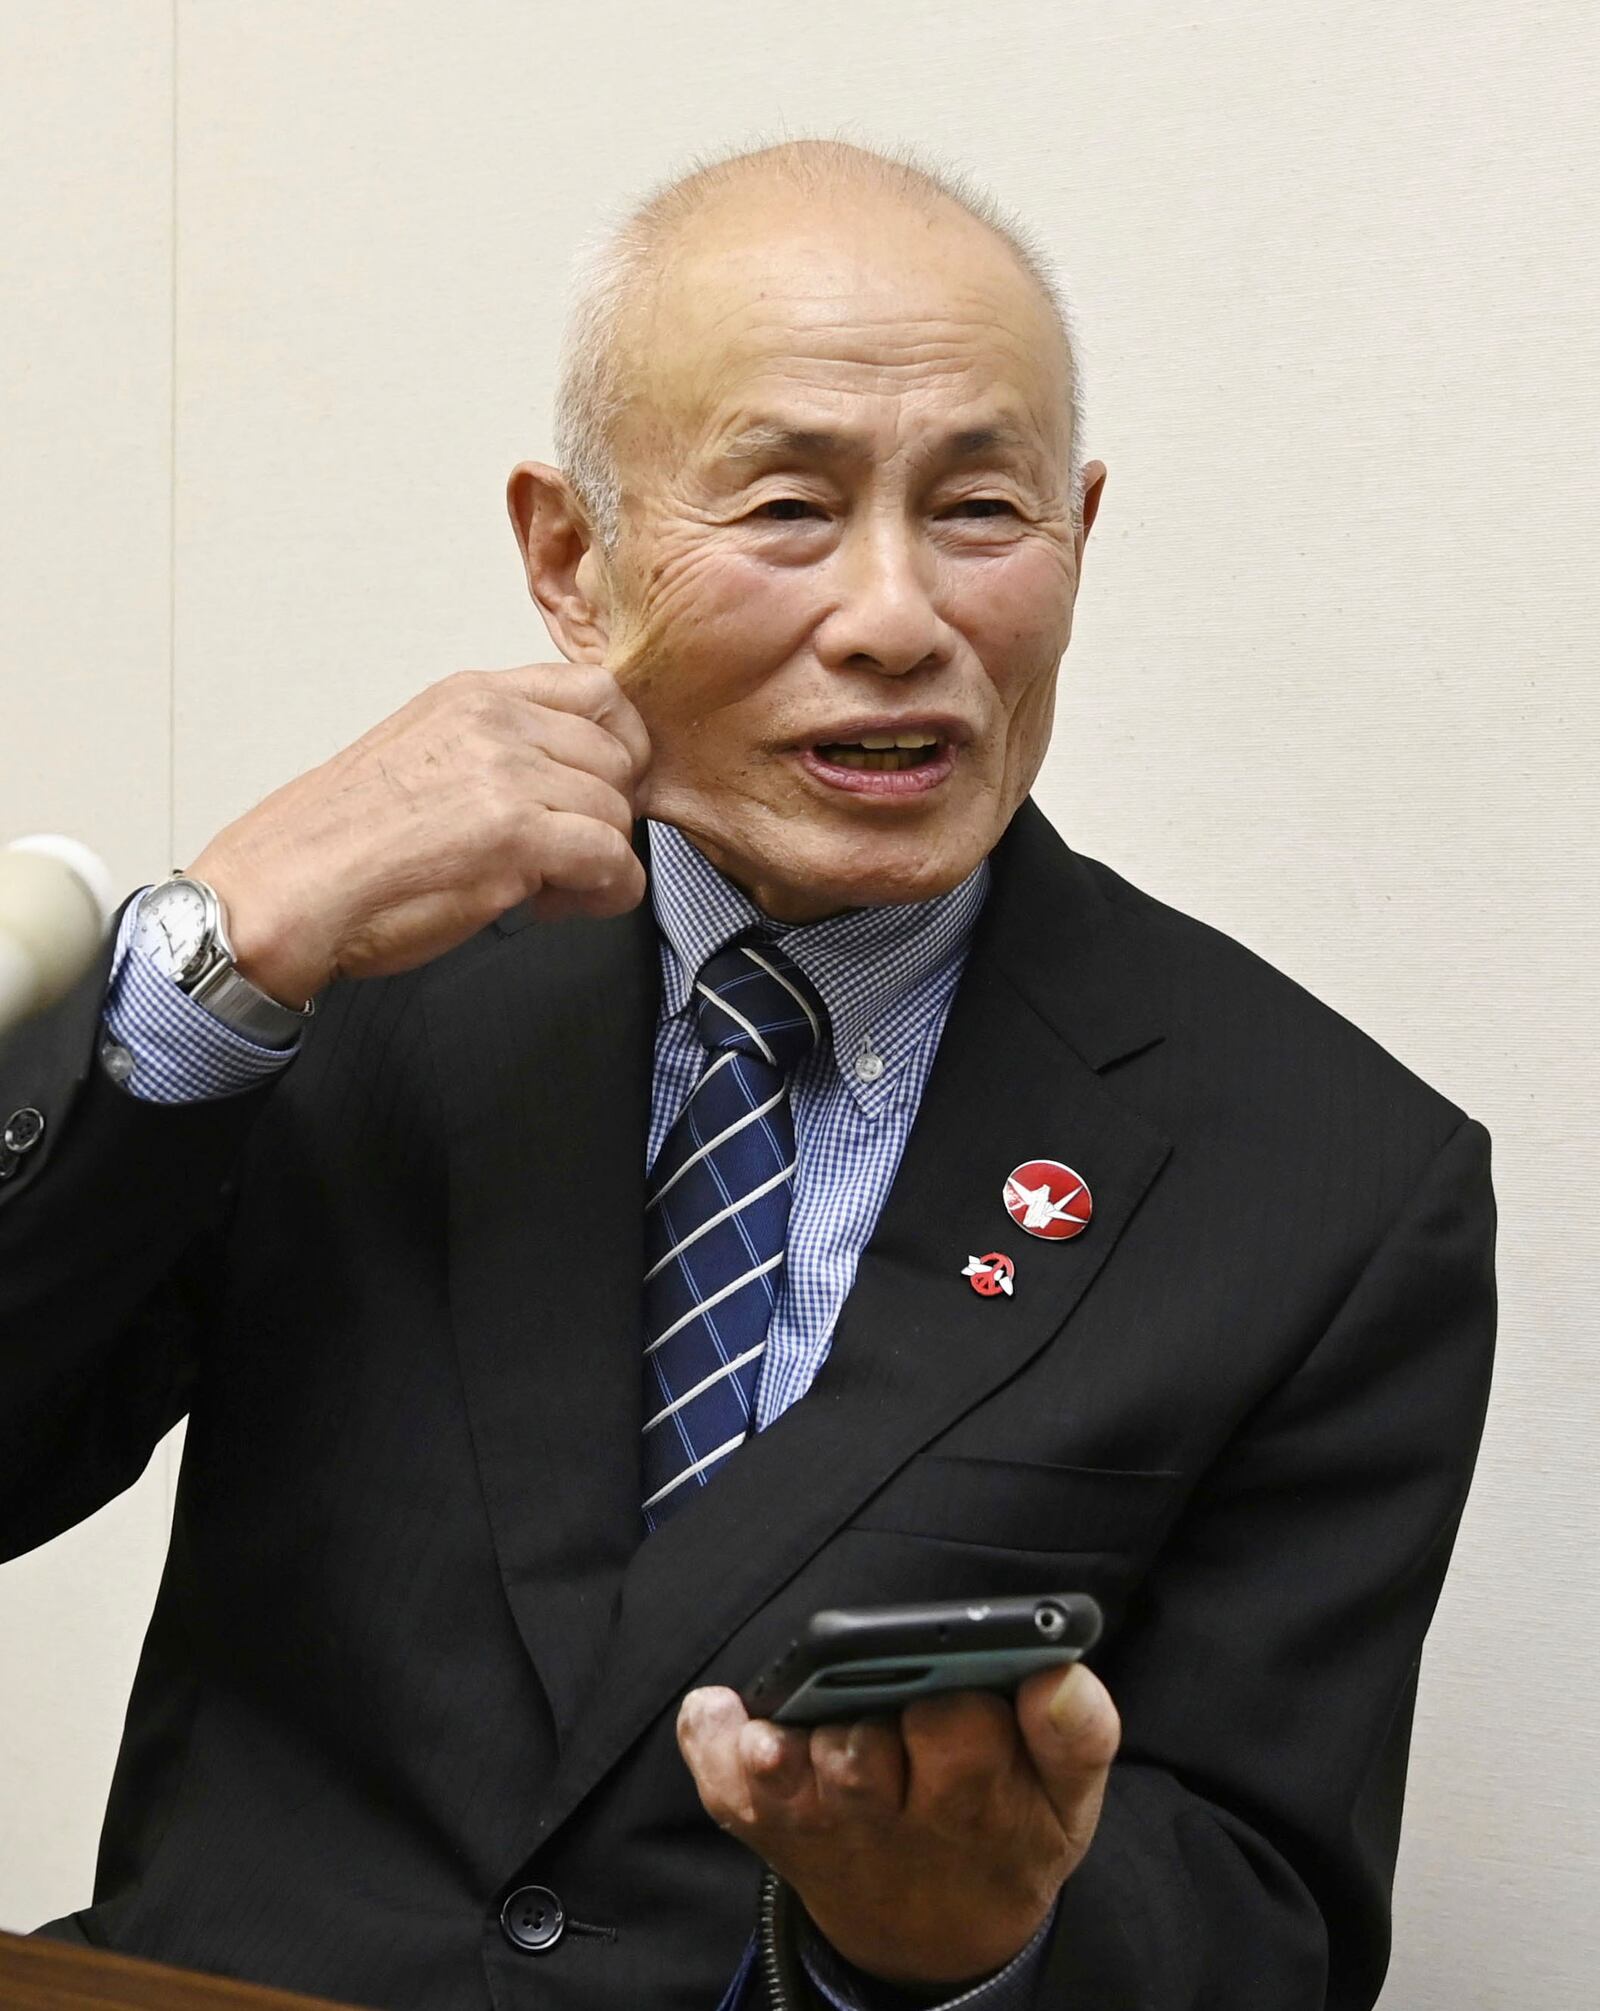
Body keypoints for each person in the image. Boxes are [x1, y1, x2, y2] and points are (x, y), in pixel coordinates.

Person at [0, 137, 1497, 2011]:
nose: (895, 617)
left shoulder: (1333, 1180)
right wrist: (209, 965)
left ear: (1082, 533)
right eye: (790, 506)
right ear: (570, 557)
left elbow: (1268, 1919)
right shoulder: (357, 982)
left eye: (980, 512)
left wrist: (970, 1943)